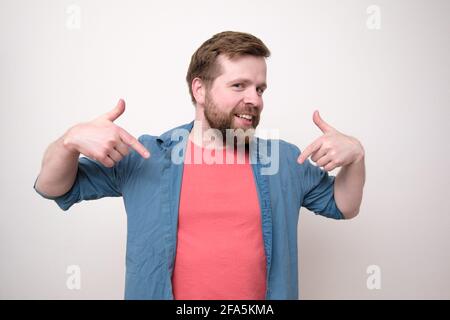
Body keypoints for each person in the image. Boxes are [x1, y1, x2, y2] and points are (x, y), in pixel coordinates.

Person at [33, 31, 365, 300]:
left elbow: (343, 205)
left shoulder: (284, 161)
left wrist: (356, 157)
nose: (255, 99)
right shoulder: (145, 156)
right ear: (200, 89)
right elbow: (53, 186)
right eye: (239, 85)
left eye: (260, 88)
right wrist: (69, 141)